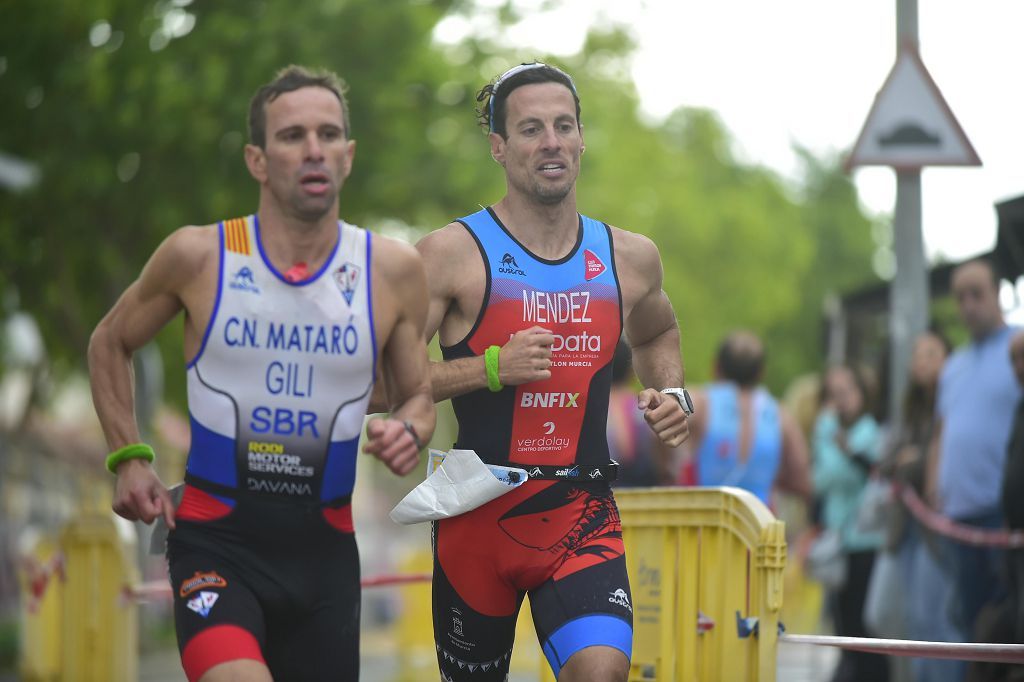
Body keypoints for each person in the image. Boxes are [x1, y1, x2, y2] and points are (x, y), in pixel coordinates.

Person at [87, 65, 435, 682]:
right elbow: (110, 340)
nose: (313, 150)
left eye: (329, 135)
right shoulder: (199, 256)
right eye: (292, 135)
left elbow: (417, 399)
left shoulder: (390, 270)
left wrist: (407, 430)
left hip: (325, 560)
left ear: (348, 156)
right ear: (256, 159)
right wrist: (129, 456)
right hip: (215, 544)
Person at [415, 62, 690, 682]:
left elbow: (658, 331)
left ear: (582, 138)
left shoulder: (630, 258)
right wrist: (490, 367)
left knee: (602, 674)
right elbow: (382, 384)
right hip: (477, 519)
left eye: (564, 126)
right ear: (499, 146)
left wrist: (671, 390)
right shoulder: (449, 255)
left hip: (580, 509)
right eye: (532, 129)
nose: (552, 142)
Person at [926, 258, 1021, 643]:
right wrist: (933, 483)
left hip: (1005, 519)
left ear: (997, 293)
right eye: (960, 297)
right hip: (958, 518)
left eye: (976, 293)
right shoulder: (954, 367)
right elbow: (941, 432)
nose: (968, 305)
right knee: (970, 629)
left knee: (1008, 630)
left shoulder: (1019, 348)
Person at [878, 328, 963, 682]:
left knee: (936, 619)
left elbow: (944, 459)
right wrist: (906, 459)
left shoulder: (956, 403)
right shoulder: (910, 408)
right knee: (909, 618)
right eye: (917, 353)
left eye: (931, 353)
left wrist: (914, 460)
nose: (921, 361)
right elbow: (887, 463)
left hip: (938, 525)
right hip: (907, 527)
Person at [812, 364, 890, 682]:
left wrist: (839, 455)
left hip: (867, 540)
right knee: (841, 620)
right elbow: (822, 479)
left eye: (847, 392)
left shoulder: (872, 430)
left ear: (861, 393)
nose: (841, 401)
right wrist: (849, 457)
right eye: (833, 394)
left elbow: (833, 473)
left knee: (866, 622)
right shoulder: (826, 428)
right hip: (837, 540)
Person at [677, 330, 812, 507]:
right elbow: (802, 479)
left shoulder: (701, 403)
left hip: (702, 520)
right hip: (758, 525)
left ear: (716, 367)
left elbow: (660, 430)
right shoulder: (780, 415)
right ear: (761, 372)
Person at [607, 337, 676, 487]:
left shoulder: (593, 410)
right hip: (645, 494)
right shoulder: (644, 407)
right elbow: (665, 464)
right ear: (631, 371)